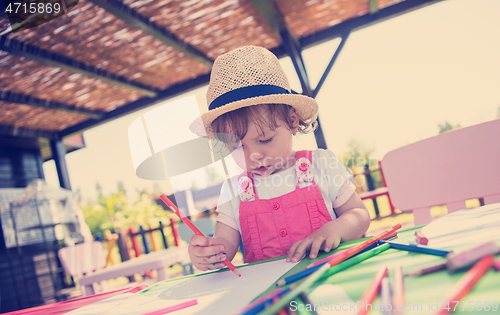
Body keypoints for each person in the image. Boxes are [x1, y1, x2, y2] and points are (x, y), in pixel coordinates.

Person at [188, 45, 370, 271]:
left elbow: (359, 215)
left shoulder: (321, 165)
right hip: (269, 297)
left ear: (292, 121)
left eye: (265, 140)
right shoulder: (234, 192)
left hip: (332, 277)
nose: (253, 155)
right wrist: (209, 252)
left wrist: (335, 230)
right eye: (236, 147)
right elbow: (225, 246)